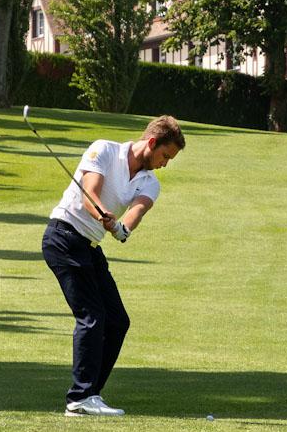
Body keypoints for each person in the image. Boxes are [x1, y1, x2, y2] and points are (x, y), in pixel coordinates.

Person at [41, 114, 184, 415]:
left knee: (118, 321)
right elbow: (88, 196)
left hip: (89, 247)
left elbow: (137, 212)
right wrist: (105, 214)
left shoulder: (151, 182)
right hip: (64, 237)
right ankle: (79, 398)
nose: (165, 164)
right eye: (164, 156)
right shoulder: (104, 150)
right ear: (152, 142)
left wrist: (121, 229)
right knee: (92, 316)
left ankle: (91, 394)